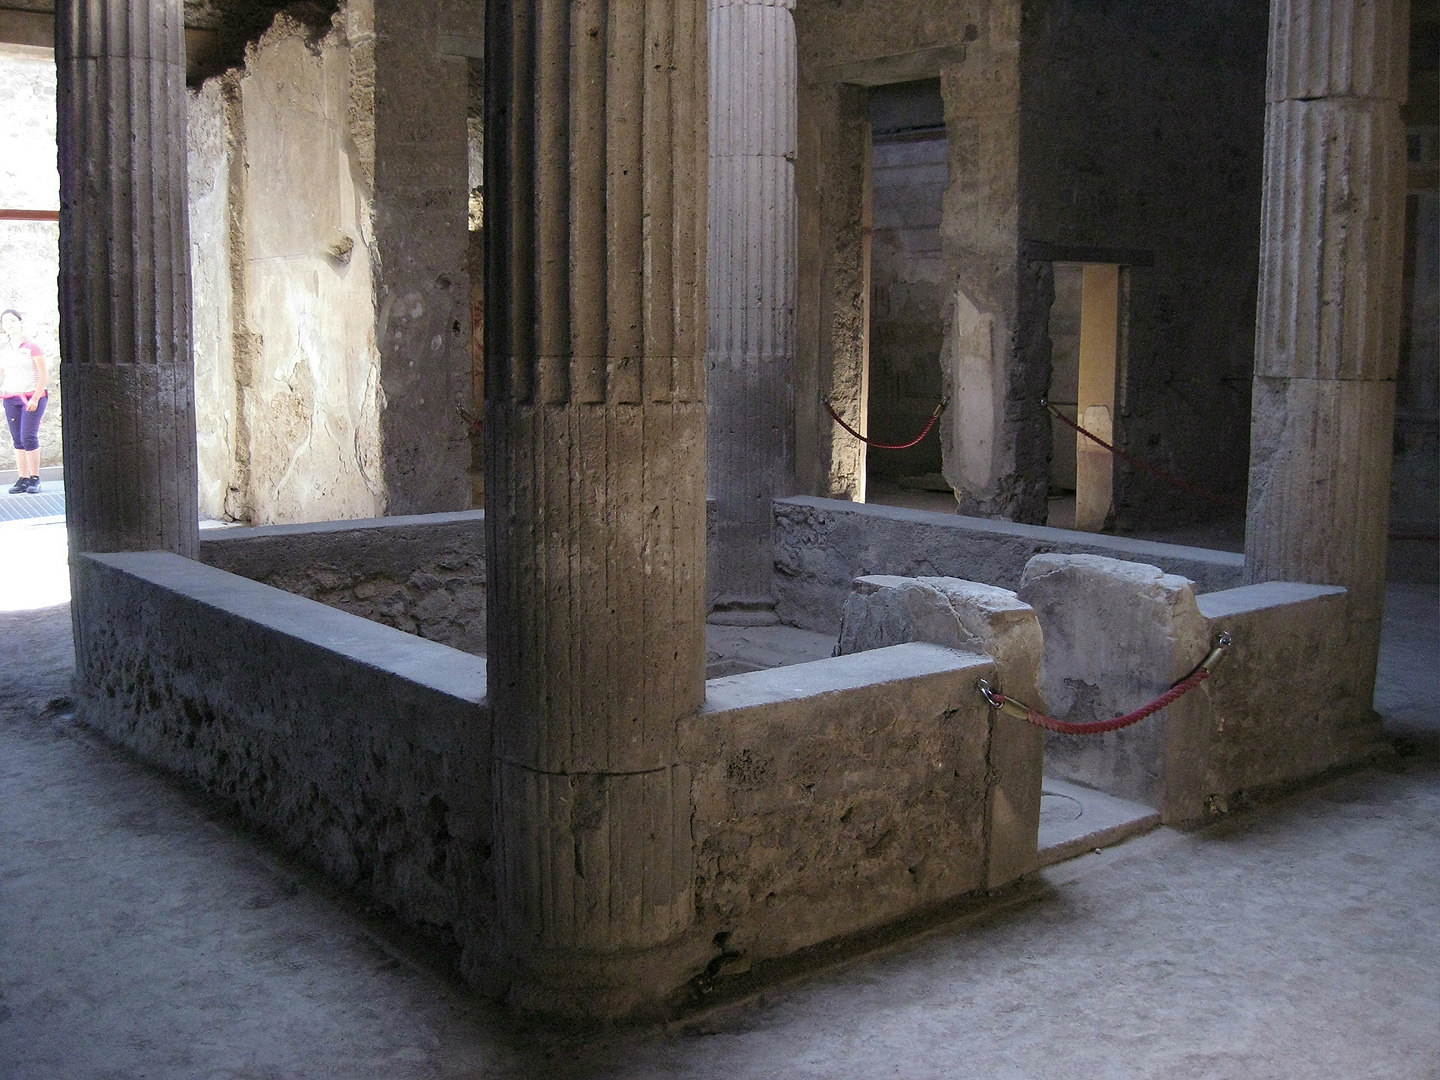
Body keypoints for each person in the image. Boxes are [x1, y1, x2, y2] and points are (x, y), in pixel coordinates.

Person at [0, 309, 48, 494]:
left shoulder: (32, 347)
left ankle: (35, 478)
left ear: (20, 322)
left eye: (13, 320)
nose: (9, 324)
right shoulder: (4, 349)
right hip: (11, 397)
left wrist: (35, 398)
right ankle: (23, 478)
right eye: (5, 322)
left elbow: (43, 374)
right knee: (17, 439)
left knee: (28, 436)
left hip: (31, 397)